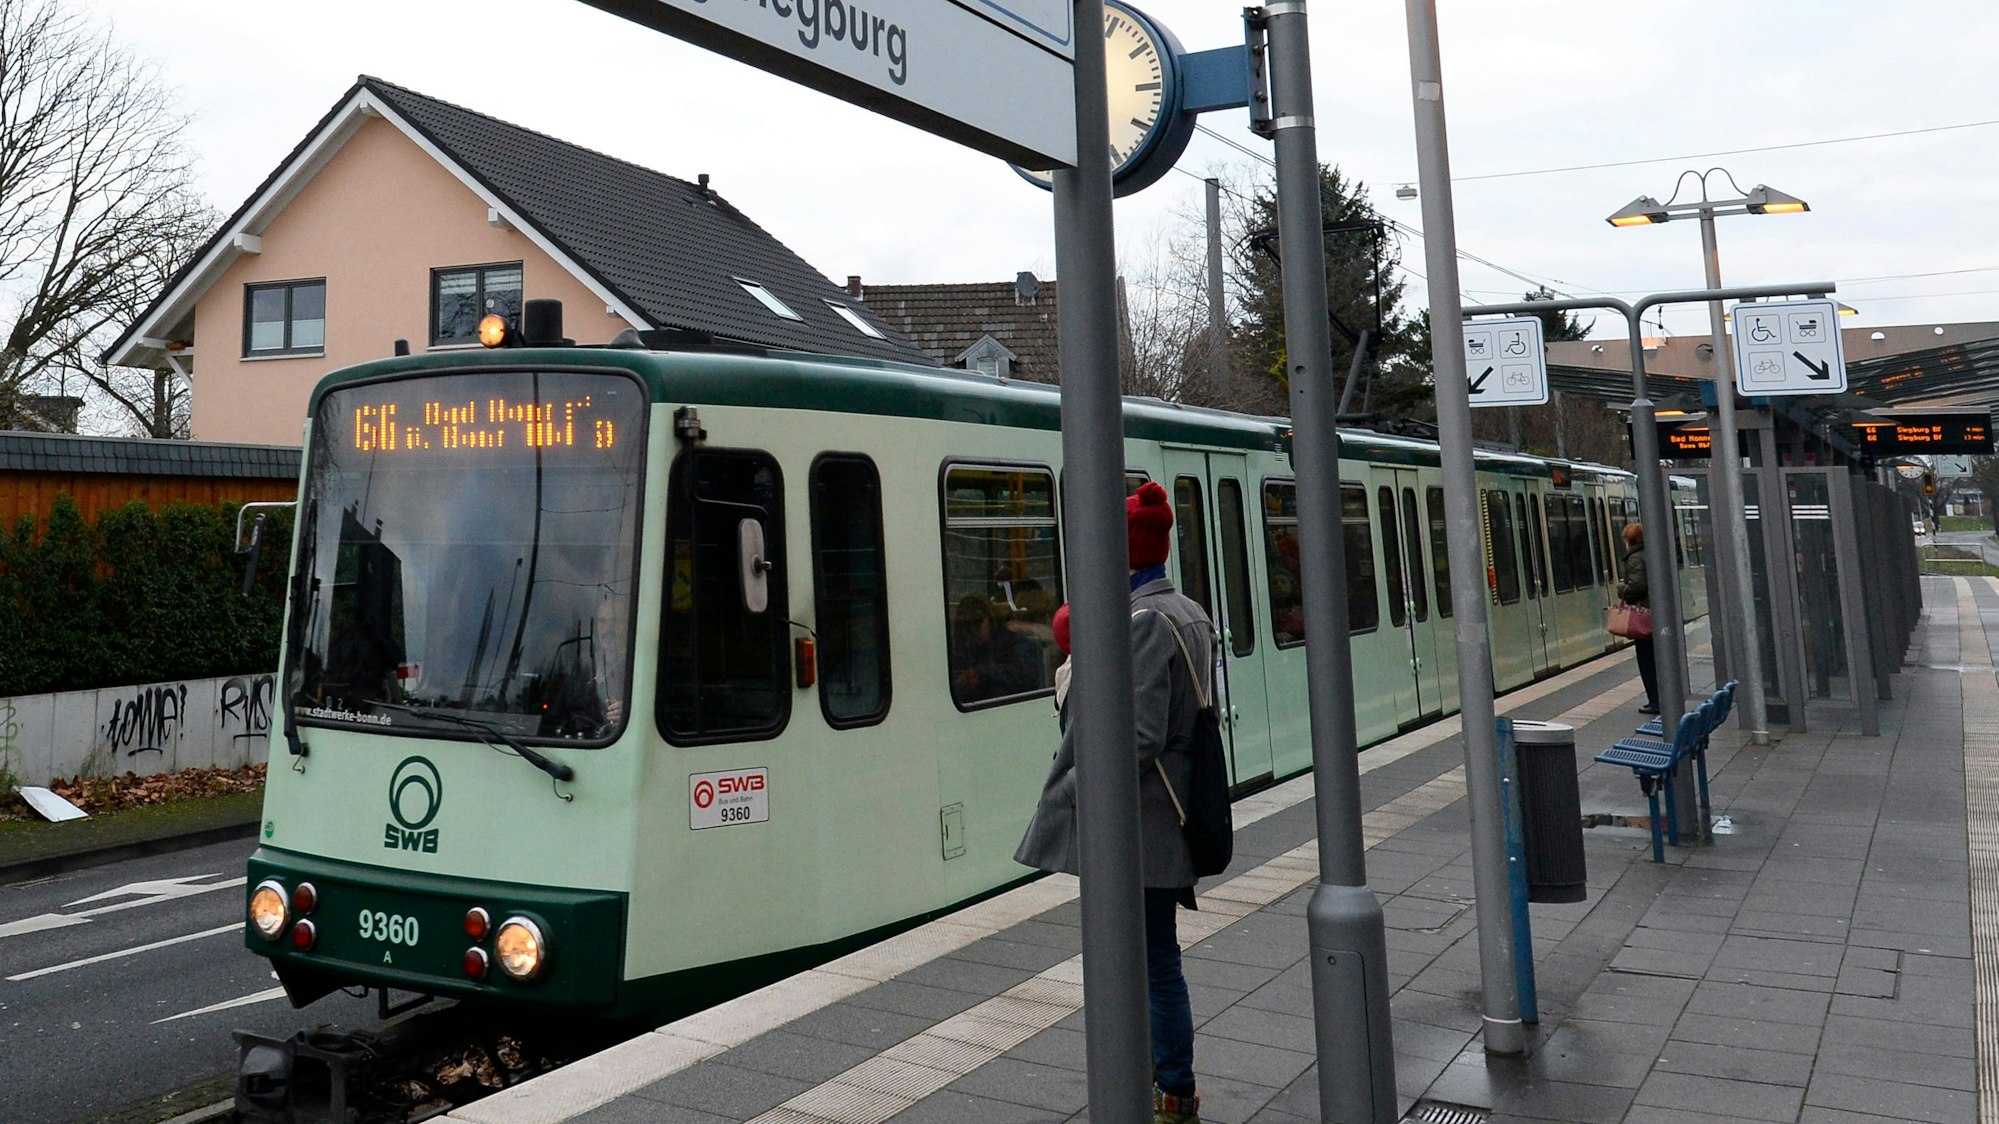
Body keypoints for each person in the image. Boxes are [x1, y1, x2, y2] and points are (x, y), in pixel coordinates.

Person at [1014, 480, 1216, 1124]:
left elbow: (1136, 734)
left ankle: (1172, 1091)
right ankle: (1166, 1085)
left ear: (1122, 554)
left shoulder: (1145, 622)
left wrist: (1072, 792)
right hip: (1162, 811)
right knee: (1152, 952)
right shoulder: (1186, 610)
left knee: (1153, 957)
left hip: (1143, 819)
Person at [1619, 522, 1659, 715]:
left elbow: (1637, 586)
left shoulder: (1634, 558)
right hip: (1655, 615)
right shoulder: (1650, 554)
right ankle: (1658, 699)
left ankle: (1655, 701)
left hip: (1644, 617)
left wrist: (1622, 590)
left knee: (1646, 660)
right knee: (1654, 659)